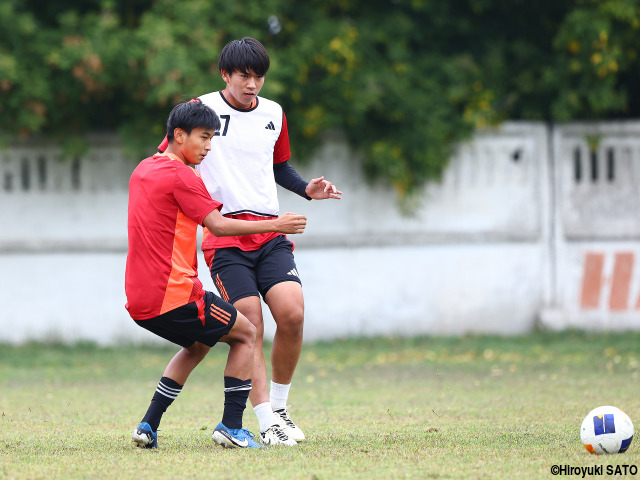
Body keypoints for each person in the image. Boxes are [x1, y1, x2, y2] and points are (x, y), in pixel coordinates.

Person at [157, 37, 342, 446]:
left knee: (292, 314)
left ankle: (280, 409)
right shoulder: (200, 111)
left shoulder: (274, 113)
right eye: (244, 75)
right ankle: (264, 422)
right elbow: (170, 158)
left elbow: (278, 167)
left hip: (271, 231)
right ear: (226, 75)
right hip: (224, 237)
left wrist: (307, 188)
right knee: (250, 324)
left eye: (259, 76)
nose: (252, 83)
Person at [126, 100, 307, 450]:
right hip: (175, 293)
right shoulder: (183, 176)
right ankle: (232, 426)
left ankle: (148, 424)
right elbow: (218, 225)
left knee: (198, 344)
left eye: (212, 138)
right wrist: (278, 224)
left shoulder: (144, 168)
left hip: (138, 298)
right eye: (204, 138)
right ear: (179, 136)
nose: (209, 147)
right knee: (247, 332)